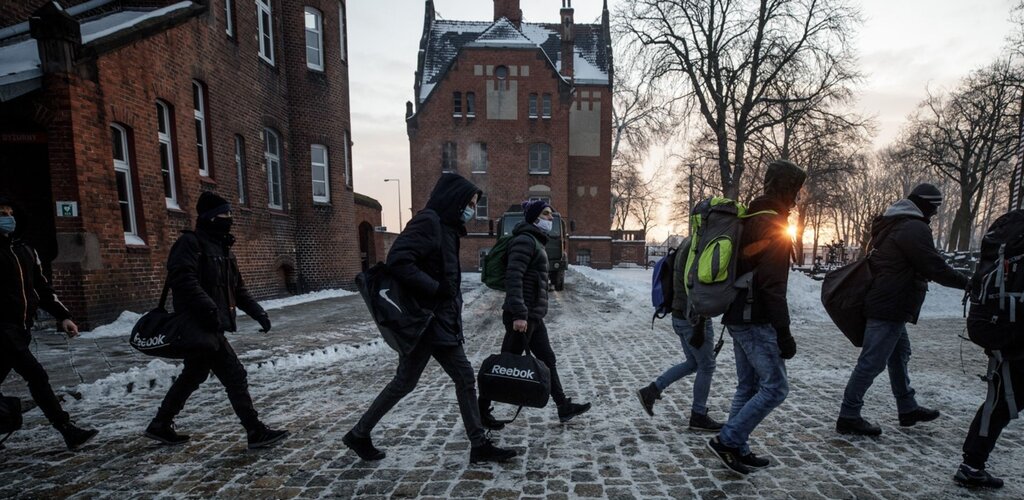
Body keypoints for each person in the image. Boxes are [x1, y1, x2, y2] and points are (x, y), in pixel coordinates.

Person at [343, 173, 516, 464]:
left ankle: (360, 433)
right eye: (470, 203)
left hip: (437, 320)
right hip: (428, 321)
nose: (471, 209)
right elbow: (398, 259)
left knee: (407, 382)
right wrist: (435, 289)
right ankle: (478, 445)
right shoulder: (430, 222)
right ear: (455, 200)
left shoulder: (447, 227)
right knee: (460, 376)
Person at [145, 192, 288, 449]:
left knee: (193, 375)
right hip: (199, 325)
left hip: (212, 326)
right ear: (210, 217)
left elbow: (238, 289)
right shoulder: (190, 244)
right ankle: (254, 431)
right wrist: (209, 308)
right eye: (224, 214)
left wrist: (258, 313)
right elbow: (183, 279)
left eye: (230, 214)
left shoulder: (223, 249)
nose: (229, 219)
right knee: (235, 375)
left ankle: (161, 424)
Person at [836, 183, 968, 436]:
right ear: (926, 205)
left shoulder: (893, 222)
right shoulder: (913, 227)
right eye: (935, 208)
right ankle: (849, 415)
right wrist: (967, 283)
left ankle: (907, 407)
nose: (935, 214)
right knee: (871, 362)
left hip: (888, 302)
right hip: (890, 304)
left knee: (899, 354)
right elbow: (933, 266)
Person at [706, 159, 806, 474]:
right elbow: (773, 286)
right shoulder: (774, 224)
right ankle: (728, 440)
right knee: (776, 387)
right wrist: (784, 333)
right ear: (785, 188)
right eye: (796, 190)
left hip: (737, 314)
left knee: (747, 387)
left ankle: (738, 447)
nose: (797, 199)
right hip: (755, 319)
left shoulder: (749, 216)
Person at [477, 200, 590, 429]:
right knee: (504, 365)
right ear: (534, 218)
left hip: (532, 316)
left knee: (547, 359)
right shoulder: (524, 241)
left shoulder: (535, 241)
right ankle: (480, 411)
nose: (550, 218)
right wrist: (519, 314)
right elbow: (514, 277)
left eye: (550, 214)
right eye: (546, 214)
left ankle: (562, 406)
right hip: (522, 317)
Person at [0, 196, 98, 451]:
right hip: (4, 332)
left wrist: (63, 315)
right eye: (1, 212)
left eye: (10, 212)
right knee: (38, 377)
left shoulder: (25, 250)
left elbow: (41, 288)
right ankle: (67, 430)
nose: (7, 217)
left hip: (20, 331)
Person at [636, 236, 722, 431]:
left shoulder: (687, 242)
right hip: (692, 317)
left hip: (679, 314)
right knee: (707, 366)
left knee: (693, 363)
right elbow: (696, 285)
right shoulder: (700, 245)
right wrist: (699, 323)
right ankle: (698, 415)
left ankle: (652, 390)